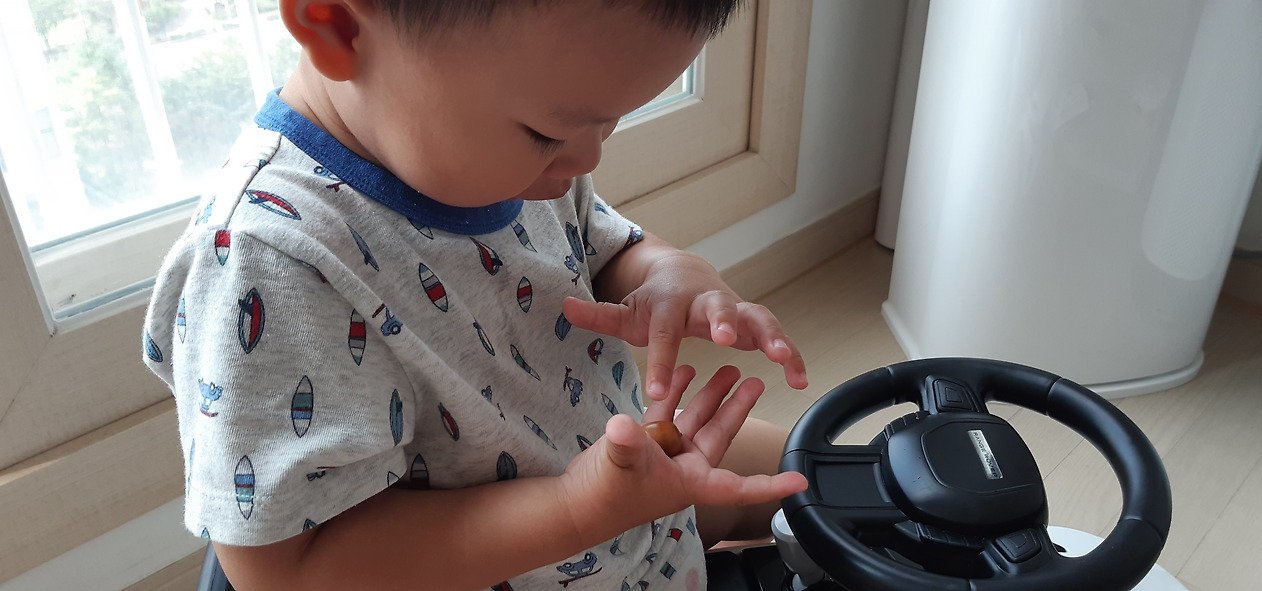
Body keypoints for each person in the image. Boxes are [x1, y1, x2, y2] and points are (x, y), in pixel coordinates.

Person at [141, 1, 810, 589]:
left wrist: (664, 273)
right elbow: (288, 570)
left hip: (618, 490)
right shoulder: (268, 259)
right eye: (549, 133)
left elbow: (599, 245)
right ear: (337, 26)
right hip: (530, 552)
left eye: (609, 122)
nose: (588, 161)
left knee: (819, 468)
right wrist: (576, 509)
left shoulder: (507, 160)